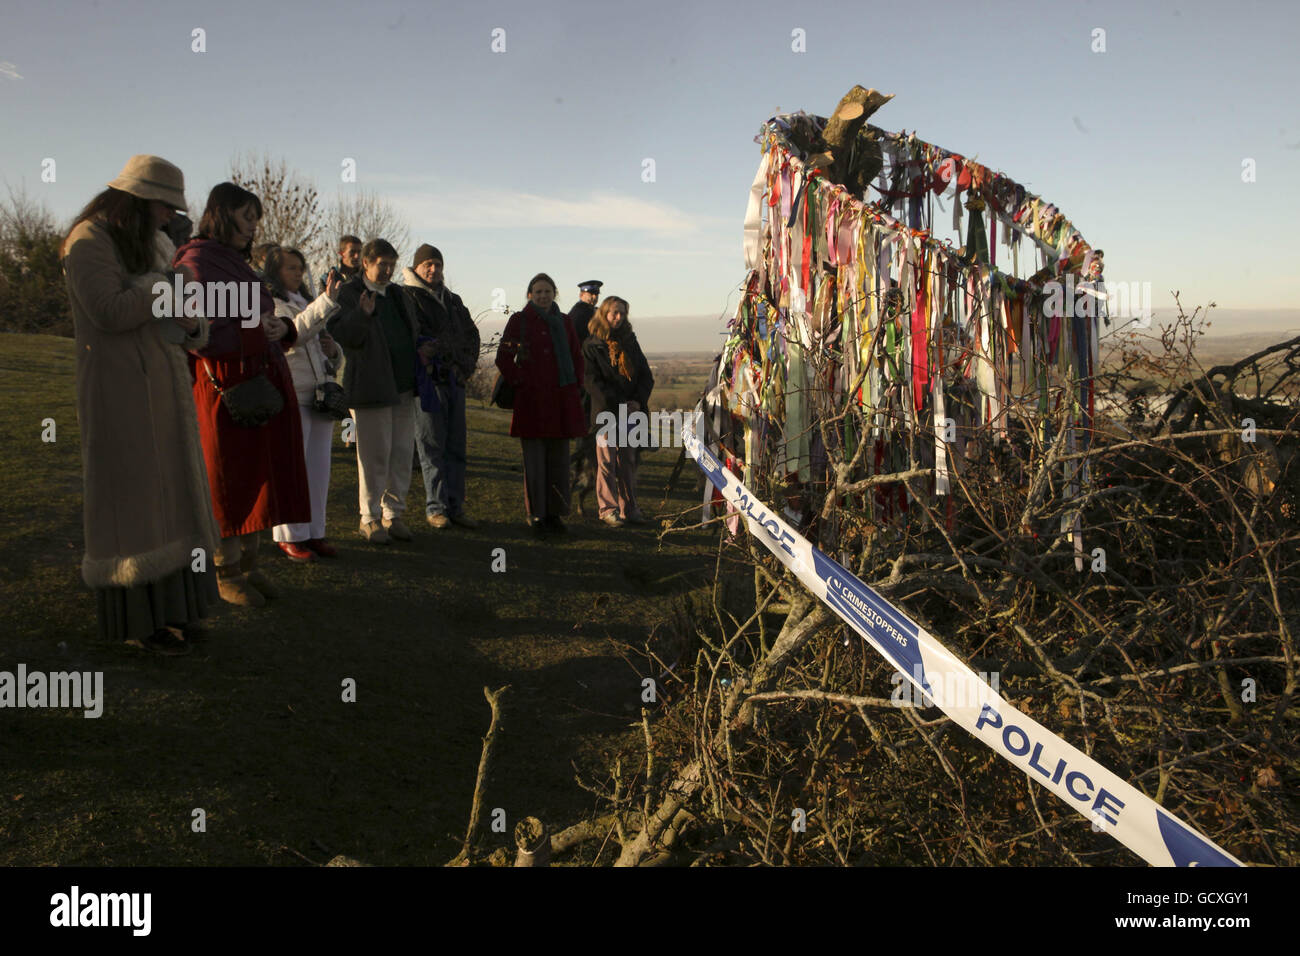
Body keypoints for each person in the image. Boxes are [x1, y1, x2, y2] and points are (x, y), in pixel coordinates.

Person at [62, 155, 221, 654]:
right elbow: (107, 312)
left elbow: (171, 314)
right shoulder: (87, 241)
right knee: (132, 504)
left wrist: (192, 323)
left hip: (163, 386)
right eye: (160, 206)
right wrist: (159, 291)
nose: (166, 217)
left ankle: (177, 609)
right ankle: (137, 620)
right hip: (117, 391)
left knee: (170, 500)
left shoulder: (154, 241)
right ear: (135, 200)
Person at [176, 182, 312, 607]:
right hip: (224, 389)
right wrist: (259, 328)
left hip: (258, 380)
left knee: (259, 476)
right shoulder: (196, 261)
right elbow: (199, 334)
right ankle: (225, 571)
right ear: (222, 214)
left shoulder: (234, 262)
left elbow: (260, 313)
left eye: (256, 218)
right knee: (227, 478)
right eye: (247, 216)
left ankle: (251, 567)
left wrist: (281, 328)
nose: (253, 226)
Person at [326, 239, 422, 544]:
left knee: (402, 453)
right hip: (370, 385)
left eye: (392, 264)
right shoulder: (350, 293)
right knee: (373, 455)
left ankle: (393, 514)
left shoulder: (396, 294)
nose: (388, 270)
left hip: (404, 385)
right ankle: (369, 518)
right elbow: (342, 336)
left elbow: (410, 330)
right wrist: (362, 315)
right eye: (382, 264)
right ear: (365, 263)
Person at [265, 247, 345, 561]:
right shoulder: (271, 303)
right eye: (290, 268)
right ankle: (288, 535)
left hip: (320, 395)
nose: (298, 273)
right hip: (292, 393)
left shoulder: (306, 301)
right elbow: (292, 334)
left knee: (318, 471)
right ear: (275, 271)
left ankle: (314, 531)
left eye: (300, 267)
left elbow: (320, 345)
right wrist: (326, 302)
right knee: (292, 468)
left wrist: (333, 349)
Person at [494, 273, 586, 534]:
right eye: (538, 292)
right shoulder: (519, 321)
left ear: (554, 293)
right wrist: (522, 381)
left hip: (561, 401)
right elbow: (503, 358)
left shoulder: (565, 321)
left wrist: (576, 384)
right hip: (532, 402)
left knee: (558, 461)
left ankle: (556, 514)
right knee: (534, 462)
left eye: (547, 291)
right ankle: (536, 514)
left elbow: (576, 356)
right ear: (529, 295)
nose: (543, 296)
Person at [401, 244, 480, 529]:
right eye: (428, 264)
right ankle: (436, 507)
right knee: (431, 447)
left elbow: (471, 335)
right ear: (417, 267)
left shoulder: (454, 300)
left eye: (438, 264)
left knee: (456, 447)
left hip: (455, 382)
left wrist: (465, 368)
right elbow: (416, 338)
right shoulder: (407, 297)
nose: (434, 269)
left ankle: (456, 506)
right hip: (428, 384)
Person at [584, 296, 654, 526]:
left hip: (631, 412)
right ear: (604, 314)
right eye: (614, 313)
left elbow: (645, 375)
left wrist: (637, 400)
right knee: (606, 462)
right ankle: (608, 509)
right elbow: (592, 382)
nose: (618, 317)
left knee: (628, 462)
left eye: (622, 313)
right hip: (606, 412)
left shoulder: (630, 341)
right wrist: (621, 403)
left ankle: (630, 509)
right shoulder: (592, 345)